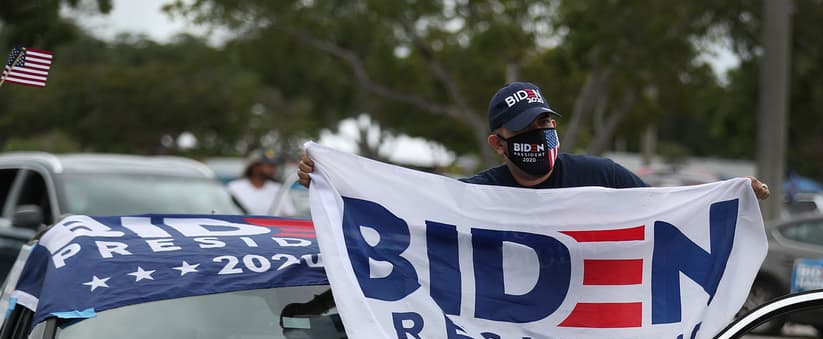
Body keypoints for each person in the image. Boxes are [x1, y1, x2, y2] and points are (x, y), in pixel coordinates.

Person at [297, 81, 769, 198]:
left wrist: (725, 197)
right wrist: (332, 181)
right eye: (525, 131)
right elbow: (404, 202)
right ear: (498, 144)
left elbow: (669, 208)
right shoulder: (477, 194)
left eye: (545, 126)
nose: (541, 137)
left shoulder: (599, 176)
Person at [228, 147, 297, 215]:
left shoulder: (280, 190)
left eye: (274, 166)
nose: (273, 169)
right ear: (255, 167)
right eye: (269, 165)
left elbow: (290, 215)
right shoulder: (234, 188)